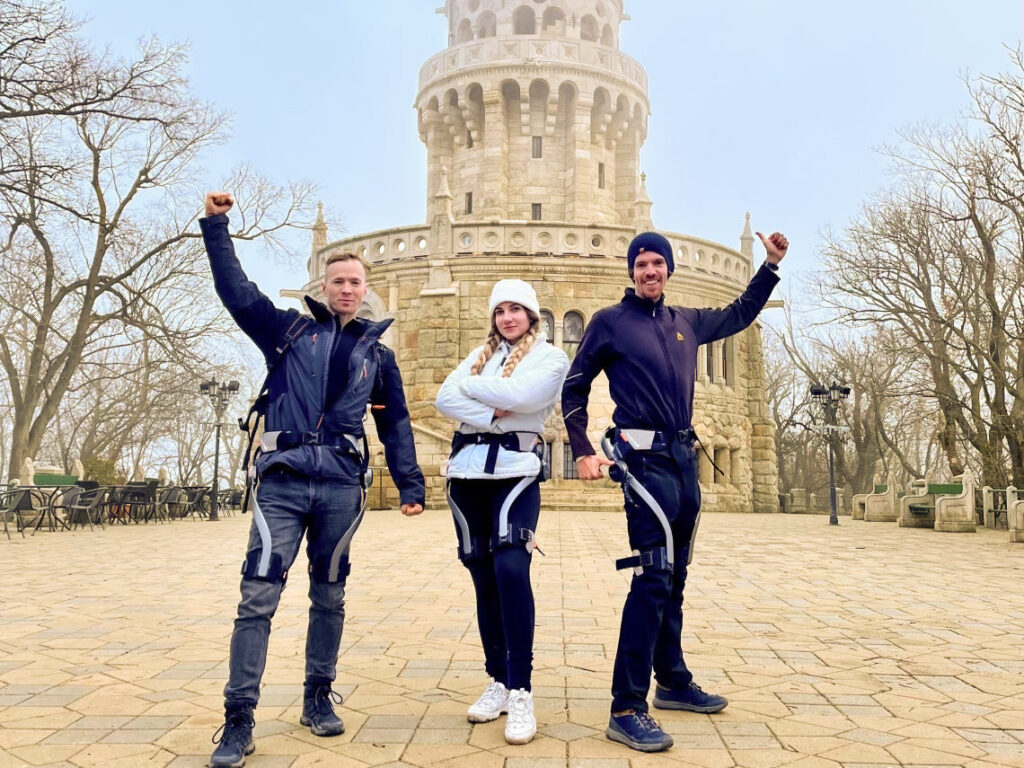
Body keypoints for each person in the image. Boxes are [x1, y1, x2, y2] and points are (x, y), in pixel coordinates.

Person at [200, 193, 425, 768]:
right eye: (338, 281)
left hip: (341, 488)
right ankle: (238, 718)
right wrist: (216, 227)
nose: (347, 289)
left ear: (365, 289)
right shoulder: (287, 331)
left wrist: (410, 485)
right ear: (323, 286)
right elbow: (236, 291)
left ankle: (317, 697)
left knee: (329, 594)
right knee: (257, 596)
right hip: (282, 482)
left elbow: (395, 421)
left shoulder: (377, 354)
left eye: (355, 282)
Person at [561, 229, 787, 752]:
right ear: (631, 271)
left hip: (684, 460)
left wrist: (771, 266)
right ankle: (626, 707)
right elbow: (575, 387)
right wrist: (582, 449)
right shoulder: (609, 323)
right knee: (652, 576)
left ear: (668, 269)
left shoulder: (686, 320)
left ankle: (673, 682)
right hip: (642, 462)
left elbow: (739, 313)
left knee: (675, 576)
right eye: (641, 264)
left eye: (657, 263)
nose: (650, 271)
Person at [435, 279, 569, 745]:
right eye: (500, 311)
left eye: (516, 309)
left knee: (511, 570)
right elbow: (444, 399)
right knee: (483, 577)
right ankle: (498, 680)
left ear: (531, 315)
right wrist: (491, 410)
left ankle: (521, 689)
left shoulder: (551, 358)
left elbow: (526, 399)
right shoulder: (480, 354)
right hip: (466, 474)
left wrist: (472, 391)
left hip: (516, 473)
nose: (507, 318)